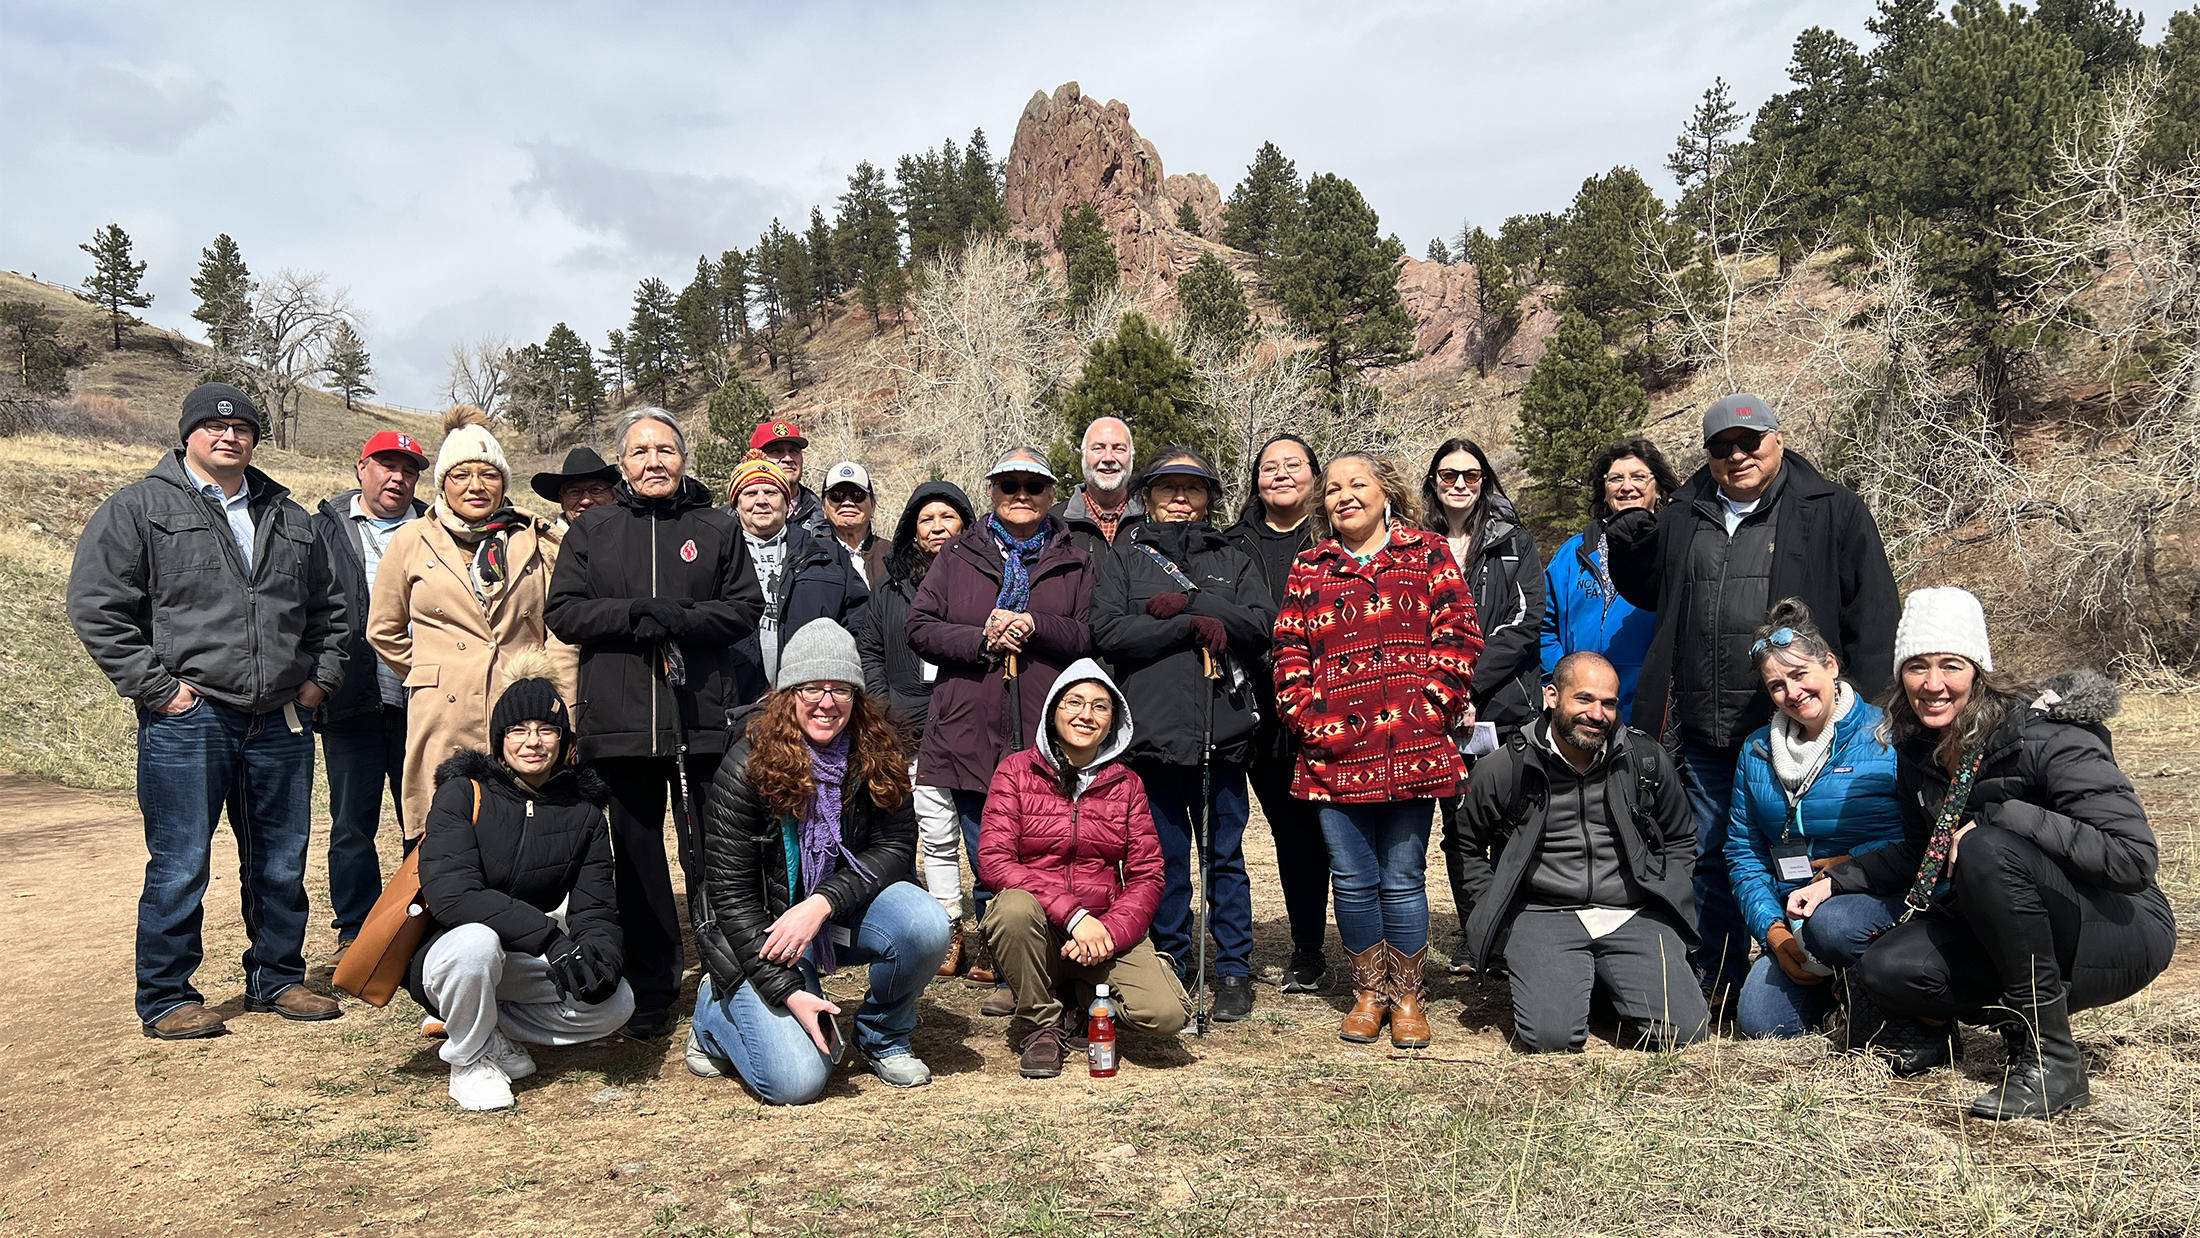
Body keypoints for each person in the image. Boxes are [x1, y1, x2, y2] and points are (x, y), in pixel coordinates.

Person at [1790, 588, 2177, 1119]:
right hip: (2015, 922)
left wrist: (2005, 818)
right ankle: (1994, 1027)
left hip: (2117, 928)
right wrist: (1838, 880)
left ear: (1979, 669)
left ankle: (2052, 1061)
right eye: (1917, 667)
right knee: (1890, 968)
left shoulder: (2050, 736)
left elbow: (2132, 859)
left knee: (1987, 847)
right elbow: (1923, 851)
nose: (1933, 685)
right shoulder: (1918, 746)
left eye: (1951, 665)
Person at [67, 382, 348, 1038]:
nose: (230, 436)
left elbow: (331, 611)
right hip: (190, 717)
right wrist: (158, 689)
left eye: (244, 428)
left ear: (255, 438)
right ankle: (167, 995)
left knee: (281, 856)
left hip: (279, 717)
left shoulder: (288, 515)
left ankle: (276, 978)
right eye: (215, 427)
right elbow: (96, 606)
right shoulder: (140, 507)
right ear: (188, 433)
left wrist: (319, 681)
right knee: (180, 859)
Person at [1606, 392, 1899, 1002]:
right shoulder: (1685, 509)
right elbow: (1650, 592)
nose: (1737, 456)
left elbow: (1872, 615)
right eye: (1721, 448)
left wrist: (1872, 714)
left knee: (1825, 842)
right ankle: (1718, 973)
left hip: (1800, 720)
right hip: (1705, 726)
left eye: (1749, 443)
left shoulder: (1833, 509)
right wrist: (1631, 541)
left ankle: (1845, 969)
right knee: (1713, 853)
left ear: (1778, 439)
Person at [545, 407, 765, 1040]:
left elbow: (744, 609)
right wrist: (634, 613)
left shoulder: (716, 527)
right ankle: (653, 982)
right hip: (619, 723)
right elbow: (565, 613)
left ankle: (730, 973)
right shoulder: (594, 530)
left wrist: (681, 619)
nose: (653, 462)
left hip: (699, 718)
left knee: (714, 854)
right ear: (622, 464)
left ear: (684, 458)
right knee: (637, 858)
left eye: (665, 450)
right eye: (640, 453)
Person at [687, 620, 952, 1102]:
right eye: (812, 687)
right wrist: (787, 992)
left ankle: (882, 1034)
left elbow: (894, 849)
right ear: (788, 693)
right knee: (797, 1082)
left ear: (857, 695)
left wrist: (822, 903)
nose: (826, 702)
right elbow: (729, 895)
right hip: (763, 933)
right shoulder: (745, 767)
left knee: (926, 923)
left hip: (830, 916)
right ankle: (712, 1014)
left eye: (841, 689)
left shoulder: (875, 752)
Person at [1271, 452, 1482, 1048]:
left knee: (1403, 877)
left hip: (1413, 749)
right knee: (1353, 878)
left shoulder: (1428, 553)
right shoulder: (1309, 566)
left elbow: (1461, 634)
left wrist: (1431, 708)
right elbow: (1288, 653)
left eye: (1357, 484)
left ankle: (1408, 995)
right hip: (1335, 753)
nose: (1344, 496)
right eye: (1333, 489)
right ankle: (1369, 991)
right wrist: (1310, 721)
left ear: (1385, 491)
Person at [907, 447, 1094, 1013]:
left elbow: (1089, 636)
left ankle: (1046, 966)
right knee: (986, 852)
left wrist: (1034, 627)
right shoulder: (959, 554)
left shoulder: (1076, 559)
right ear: (990, 490)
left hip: (1047, 727)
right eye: (1008, 483)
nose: (1021, 493)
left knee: (1046, 850)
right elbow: (919, 627)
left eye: (1033, 485)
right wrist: (980, 637)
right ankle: (1006, 962)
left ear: (1050, 493)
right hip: (970, 728)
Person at [1091, 447, 1275, 1021]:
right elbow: (1108, 632)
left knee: (1224, 858)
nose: (1179, 497)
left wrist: (1197, 602)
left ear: (1208, 500)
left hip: (1221, 735)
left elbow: (1259, 626)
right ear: (1147, 497)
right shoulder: (1123, 559)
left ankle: (1234, 969)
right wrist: (1185, 627)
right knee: (1163, 860)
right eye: (1168, 488)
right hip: (1149, 736)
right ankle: (1170, 961)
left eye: (1192, 489)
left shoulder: (1234, 557)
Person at [407, 651, 633, 1111]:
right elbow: (453, 896)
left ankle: (491, 1027)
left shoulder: (584, 813)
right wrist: (551, 938)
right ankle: (468, 1060)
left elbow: (595, 908)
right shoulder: (460, 794)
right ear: (499, 739)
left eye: (546, 730)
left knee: (618, 1004)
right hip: (450, 957)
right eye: (518, 730)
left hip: (519, 962)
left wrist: (603, 957)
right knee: (477, 944)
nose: (533, 742)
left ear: (563, 740)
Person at [1451, 653, 1711, 1053]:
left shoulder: (1643, 759)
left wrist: (1670, 897)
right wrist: (1488, 917)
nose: (1597, 714)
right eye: (1584, 699)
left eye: (1609, 703)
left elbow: (1680, 835)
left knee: (1686, 1033)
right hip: (1542, 914)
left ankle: (1599, 983)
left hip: (1632, 912)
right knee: (1551, 1038)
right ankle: (1571, 982)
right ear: (1552, 696)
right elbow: (1464, 843)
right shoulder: (1507, 766)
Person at [367, 406, 571, 843]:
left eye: (489, 474)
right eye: (461, 475)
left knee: (525, 831)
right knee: (444, 829)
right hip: (442, 711)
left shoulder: (536, 540)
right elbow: (383, 628)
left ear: (504, 483)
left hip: (521, 711)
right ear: (443, 483)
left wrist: (554, 695)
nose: (475, 486)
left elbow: (560, 628)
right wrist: (430, 671)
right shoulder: (410, 539)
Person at [979, 661, 1192, 1077]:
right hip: (1039, 931)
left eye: (1100, 706)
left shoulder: (1126, 783)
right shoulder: (1016, 771)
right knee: (1012, 908)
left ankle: (1083, 995)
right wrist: (1073, 916)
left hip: (1102, 931)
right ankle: (1041, 1024)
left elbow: (1148, 873)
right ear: (1052, 711)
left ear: (1114, 720)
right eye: (1074, 702)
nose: (1085, 715)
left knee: (1167, 1017)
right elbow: (994, 860)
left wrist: (1110, 931)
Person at [1723, 600, 1907, 1042]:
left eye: (1801, 674)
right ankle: (1836, 993)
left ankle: (1888, 992)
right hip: (1798, 919)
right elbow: (1743, 852)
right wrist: (1773, 932)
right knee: (1764, 1024)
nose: (1792, 692)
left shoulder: (1890, 735)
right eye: (1776, 685)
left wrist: (1852, 864)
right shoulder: (1755, 751)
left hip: (1875, 901)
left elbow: (1920, 837)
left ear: (1830, 665)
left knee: (1839, 927)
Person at [1422, 438, 1545, 974]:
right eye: (1449, 475)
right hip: (1435, 710)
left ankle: (1517, 929)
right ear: (1432, 482)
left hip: (1501, 705)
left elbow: (1523, 623)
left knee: (1511, 819)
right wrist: (1441, 691)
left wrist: (1464, 686)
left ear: (1485, 481)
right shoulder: (1412, 544)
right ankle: (1479, 935)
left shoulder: (1514, 542)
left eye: (1471, 476)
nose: (1460, 485)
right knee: (1460, 826)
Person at [1221, 433, 1330, 993]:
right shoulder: (1231, 544)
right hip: (1253, 708)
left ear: (1315, 475)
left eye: (1294, 465)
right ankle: (1284, 948)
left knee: (1317, 833)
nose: (1281, 474)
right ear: (1255, 479)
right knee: (1267, 831)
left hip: (1326, 706)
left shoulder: (1334, 537)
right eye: (1269, 466)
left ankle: (1324, 946)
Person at [313, 430, 429, 948]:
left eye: (408, 470)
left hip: (426, 701)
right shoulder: (324, 529)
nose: (397, 477)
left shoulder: (436, 528)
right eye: (386, 465)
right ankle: (356, 930)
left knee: (427, 822)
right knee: (352, 824)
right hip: (351, 698)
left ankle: (423, 923)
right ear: (361, 468)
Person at [857, 481, 976, 973]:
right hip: (907, 727)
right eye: (927, 519)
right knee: (933, 829)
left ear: (966, 526)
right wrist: (885, 712)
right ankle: (948, 929)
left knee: (982, 830)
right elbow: (871, 650)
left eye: (948, 518)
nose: (937, 528)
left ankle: (991, 932)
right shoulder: (890, 584)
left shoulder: (982, 578)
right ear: (912, 528)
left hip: (968, 724)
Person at [1540, 437, 1678, 719]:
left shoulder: (1676, 546)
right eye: (1616, 478)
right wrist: (1561, 679)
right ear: (1604, 491)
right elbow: (1543, 624)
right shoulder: (1573, 552)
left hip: (1649, 706)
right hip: (1578, 708)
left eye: (1638, 477)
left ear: (1659, 489)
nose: (1627, 486)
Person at [727, 456, 869, 705]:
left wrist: (834, 676)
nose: (761, 501)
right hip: (737, 700)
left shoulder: (829, 556)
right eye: (750, 493)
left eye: (771, 492)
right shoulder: (717, 557)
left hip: (813, 702)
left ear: (786, 502)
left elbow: (862, 623)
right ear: (736, 505)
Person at [1051, 416, 1143, 559]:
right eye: (1098, 448)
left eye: (1119, 449)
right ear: (1083, 457)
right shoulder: (1054, 524)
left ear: (1132, 457)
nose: (1108, 458)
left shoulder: (1151, 519)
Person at [749, 418, 830, 537]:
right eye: (776, 451)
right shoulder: (732, 520)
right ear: (755, 459)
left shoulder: (824, 515)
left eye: (794, 451)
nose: (788, 458)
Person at [820, 460, 888, 585]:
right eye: (836, 495)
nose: (847, 503)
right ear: (824, 507)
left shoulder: (893, 556)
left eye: (857, 495)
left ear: (873, 506)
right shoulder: (813, 555)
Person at [529, 446, 621, 529]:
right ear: (562, 500)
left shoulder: (631, 536)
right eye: (575, 492)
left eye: (595, 490)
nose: (586, 501)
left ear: (613, 496)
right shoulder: (544, 545)